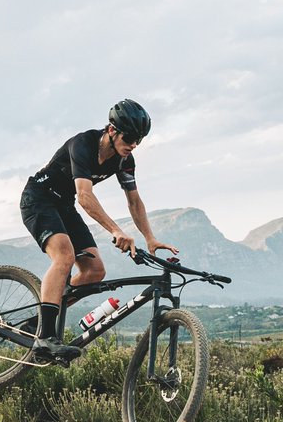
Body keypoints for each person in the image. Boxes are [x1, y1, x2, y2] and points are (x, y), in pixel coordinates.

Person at [20, 99, 178, 361]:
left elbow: (134, 200)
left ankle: (36, 321)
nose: (134, 144)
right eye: (129, 137)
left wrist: (150, 239)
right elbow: (85, 196)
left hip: (63, 204)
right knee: (64, 256)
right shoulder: (83, 144)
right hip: (39, 198)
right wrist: (116, 230)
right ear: (112, 130)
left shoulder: (125, 160)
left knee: (95, 271)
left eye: (139, 140)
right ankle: (45, 338)